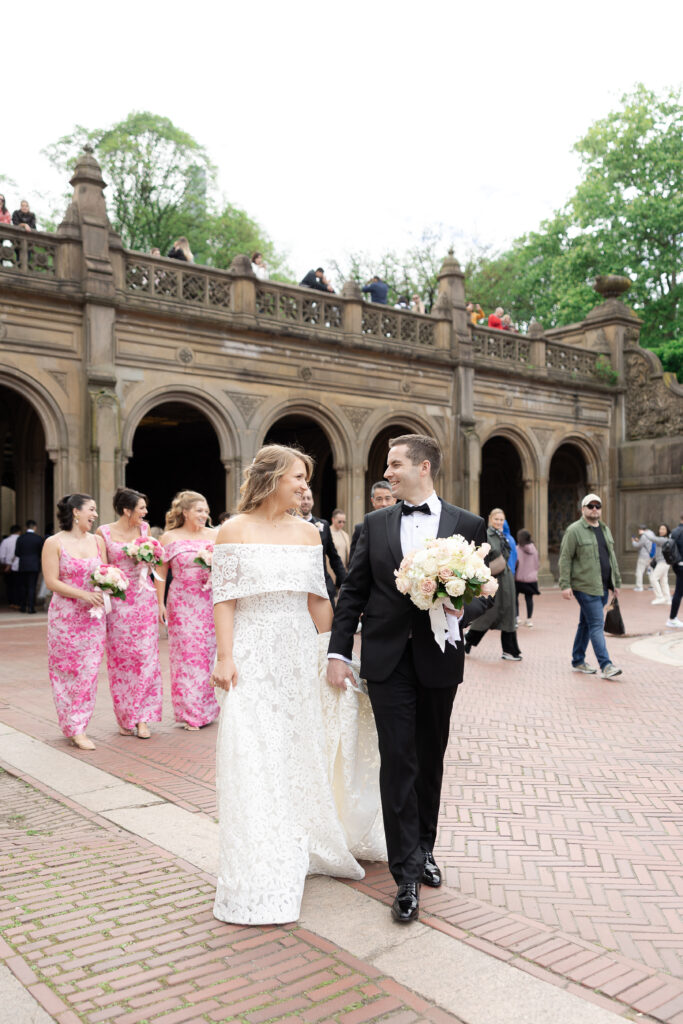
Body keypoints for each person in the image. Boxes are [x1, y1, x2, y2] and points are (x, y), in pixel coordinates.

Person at [211, 444, 384, 925]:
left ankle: (301, 838)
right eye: (297, 477)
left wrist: (335, 654)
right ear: (270, 478)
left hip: (298, 651)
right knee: (251, 750)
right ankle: (258, 857)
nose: (305, 486)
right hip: (250, 652)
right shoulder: (232, 531)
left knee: (295, 748)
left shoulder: (309, 534)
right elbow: (224, 600)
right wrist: (225, 657)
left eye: (306, 478)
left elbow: (317, 600)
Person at [328, 433, 490, 924]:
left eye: (396, 464)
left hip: (440, 657)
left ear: (423, 467)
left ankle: (425, 847)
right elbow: (353, 592)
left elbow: (487, 591)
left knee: (429, 758)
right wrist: (339, 651)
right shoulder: (374, 525)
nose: (388, 471)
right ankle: (406, 876)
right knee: (398, 759)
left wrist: (460, 605)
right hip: (387, 660)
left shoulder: (468, 523)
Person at [41, 494, 107, 751]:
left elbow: (106, 572)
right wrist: (83, 594)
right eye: (91, 509)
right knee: (65, 671)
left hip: (93, 619)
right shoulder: (53, 542)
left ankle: (79, 726)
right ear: (76, 512)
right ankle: (70, 724)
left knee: (88, 673)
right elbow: (51, 581)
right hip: (65, 618)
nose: (95, 515)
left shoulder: (98, 541)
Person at [97, 488, 163, 738]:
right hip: (118, 604)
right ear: (127, 510)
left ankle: (143, 718)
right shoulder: (103, 533)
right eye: (141, 508)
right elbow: (102, 568)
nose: (145, 513)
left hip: (144, 601)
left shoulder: (145, 530)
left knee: (147, 658)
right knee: (121, 660)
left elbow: (155, 567)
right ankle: (126, 716)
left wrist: (159, 602)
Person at [156, 490, 220, 731]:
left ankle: (208, 708)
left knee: (208, 654)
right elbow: (160, 574)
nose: (204, 515)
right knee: (186, 655)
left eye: (206, 511)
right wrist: (159, 604)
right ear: (185, 512)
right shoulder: (169, 538)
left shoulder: (216, 535)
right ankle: (190, 712)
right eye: (199, 510)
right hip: (182, 601)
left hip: (210, 601)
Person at [558, 493, 623, 678]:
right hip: (585, 587)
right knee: (596, 624)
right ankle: (606, 665)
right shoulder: (574, 530)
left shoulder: (605, 529)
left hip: (602, 586)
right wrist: (565, 584)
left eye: (598, 506)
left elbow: (612, 558)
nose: (595, 509)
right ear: (583, 509)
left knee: (585, 624)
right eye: (590, 506)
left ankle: (578, 660)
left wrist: (616, 582)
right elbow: (565, 558)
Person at [464, 509, 522, 661]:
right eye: (496, 519)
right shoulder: (487, 535)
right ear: (490, 519)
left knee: (509, 612)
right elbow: (480, 557)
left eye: (501, 520)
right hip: (494, 580)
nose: (499, 522)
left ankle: (510, 649)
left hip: (507, 579)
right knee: (489, 613)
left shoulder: (504, 536)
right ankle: (469, 639)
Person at [299, 488, 346, 604]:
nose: (305, 501)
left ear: (313, 502)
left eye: (308, 498)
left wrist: (346, 583)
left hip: (323, 587)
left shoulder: (323, 525)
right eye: (302, 498)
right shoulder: (288, 525)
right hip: (299, 588)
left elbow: (334, 558)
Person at [349, 481, 396, 564]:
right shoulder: (361, 529)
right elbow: (354, 563)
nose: (384, 504)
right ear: (372, 501)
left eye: (387, 498)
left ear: (395, 499)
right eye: (379, 499)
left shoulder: (404, 525)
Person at [15, 519, 44, 614]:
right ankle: (31, 607)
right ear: (35, 527)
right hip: (34, 565)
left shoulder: (20, 538)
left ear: (26, 527)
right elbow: (42, 553)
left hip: (23, 564)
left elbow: (17, 553)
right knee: (32, 586)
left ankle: (23, 606)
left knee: (23, 586)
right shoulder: (38, 538)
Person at [515, 529, 540, 627]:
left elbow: (515, 562)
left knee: (515, 598)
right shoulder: (534, 549)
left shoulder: (517, 548)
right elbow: (537, 563)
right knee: (529, 599)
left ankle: (517, 618)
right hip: (531, 579)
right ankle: (529, 619)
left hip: (518, 578)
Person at [665, 513, 683, 628]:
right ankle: (672, 618)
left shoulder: (674, 532)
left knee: (679, 592)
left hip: (677, 564)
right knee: (678, 592)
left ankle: (672, 618)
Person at [0, 524, 21, 608]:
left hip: (8, 567)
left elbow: (1, 556)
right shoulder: (21, 539)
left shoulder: (5, 541)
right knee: (19, 585)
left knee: (10, 586)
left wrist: (5, 563)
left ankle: (11, 602)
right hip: (20, 566)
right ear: (19, 531)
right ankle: (19, 602)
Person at [650, 524, 671, 605]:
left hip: (663, 562)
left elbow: (651, 538)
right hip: (664, 562)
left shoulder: (663, 539)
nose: (661, 530)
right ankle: (667, 599)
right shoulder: (664, 539)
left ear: (667, 531)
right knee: (663, 581)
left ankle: (660, 597)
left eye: (663, 529)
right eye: (660, 529)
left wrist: (645, 533)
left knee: (653, 578)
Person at [631, 525, 655, 591]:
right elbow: (646, 543)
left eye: (639, 530)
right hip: (651, 556)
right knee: (651, 572)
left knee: (639, 571)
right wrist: (639, 540)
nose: (638, 532)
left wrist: (633, 541)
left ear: (641, 530)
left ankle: (639, 586)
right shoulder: (652, 534)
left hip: (643, 557)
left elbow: (638, 545)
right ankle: (653, 586)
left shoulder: (644, 536)